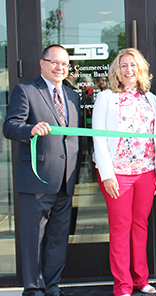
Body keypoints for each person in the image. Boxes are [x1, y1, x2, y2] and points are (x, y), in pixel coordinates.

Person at [3, 44, 81, 296]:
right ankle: (33, 287)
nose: (61, 68)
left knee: (58, 238)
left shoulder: (72, 96)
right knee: (33, 238)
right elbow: (10, 126)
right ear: (42, 63)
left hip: (65, 179)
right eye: (55, 62)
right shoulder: (25, 90)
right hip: (36, 178)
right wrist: (30, 130)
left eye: (65, 64)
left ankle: (52, 284)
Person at [92, 48, 156, 296]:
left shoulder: (150, 98)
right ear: (116, 70)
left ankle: (140, 279)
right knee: (121, 227)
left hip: (146, 171)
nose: (128, 70)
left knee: (140, 225)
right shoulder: (106, 97)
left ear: (141, 69)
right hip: (118, 174)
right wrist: (106, 174)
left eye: (133, 65)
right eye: (123, 65)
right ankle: (122, 284)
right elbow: (98, 138)